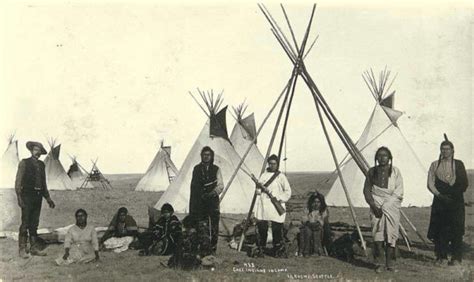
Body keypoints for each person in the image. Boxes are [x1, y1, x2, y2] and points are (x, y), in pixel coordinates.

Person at [427, 135, 468, 266]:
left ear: (452, 150)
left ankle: (456, 258)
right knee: (440, 229)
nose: (445, 151)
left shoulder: (459, 164)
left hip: (456, 201)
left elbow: (464, 183)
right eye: (442, 149)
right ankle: (442, 257)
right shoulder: (434, 165)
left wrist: (453, 194)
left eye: (447, 149)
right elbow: (430, 183)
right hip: (440, 201)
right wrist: (439, 195)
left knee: (456, 229)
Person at [363, 146, 403, 273]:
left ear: (389, 158)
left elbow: (399, 192)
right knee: (378, 235)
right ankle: (379, 263)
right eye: (379, 155)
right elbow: (367, 190)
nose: (382, 158)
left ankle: (389, 263)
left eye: (385, 155)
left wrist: (386, 205)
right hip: (376, 205)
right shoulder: (371, 172)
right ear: (376, 158)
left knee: (391, 235)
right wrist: (374, 206)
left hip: (391, 206)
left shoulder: (396, 172)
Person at [15, 141, 56, 258]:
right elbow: (18, 182)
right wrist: (19, 198)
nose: (37, 152)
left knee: (34, 224)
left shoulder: (42, 165)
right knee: (25, 222)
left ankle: (33, 248)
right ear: (31, 150)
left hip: (38, 197)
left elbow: (43, 184)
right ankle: (22, 249)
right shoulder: (24, 163)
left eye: (39, 150)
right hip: (27, 196)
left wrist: (48, 199)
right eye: (35, 149)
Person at [254, 154, 292, 257]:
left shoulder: (281, 176)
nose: (272, 166)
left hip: (276, 205)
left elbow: (288, 192)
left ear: (277, 164)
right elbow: (257, 191)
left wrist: (278, 198)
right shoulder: (263, 175)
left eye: (274, 164)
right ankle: (261, 249)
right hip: (264, 205)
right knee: (262, 227)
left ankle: (278, 251)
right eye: (270, 163)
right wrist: (260, 189)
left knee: (276, 228)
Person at [189, 146, 224, 255]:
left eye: (208, 155)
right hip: (200, 202)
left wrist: (212, 193)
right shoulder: (196, 169)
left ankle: (213, 248)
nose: (206, 157)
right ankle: (203, 248)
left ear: (212, 156)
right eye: (204, 155)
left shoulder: (216, 169)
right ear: (201, 156)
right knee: (202, 225)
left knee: (214, 226)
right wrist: (200, 196)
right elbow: (194, 186)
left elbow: (220, 185)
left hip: (213, 202)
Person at [299, 191, 331, 257]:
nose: (316, 204)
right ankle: (306, 251)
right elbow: (304, 219)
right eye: (314, 202)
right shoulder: (307, 209)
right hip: (308, 226)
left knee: (317, 231)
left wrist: (317, 222)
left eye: (318, 202)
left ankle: (316, 251)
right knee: (307, 231)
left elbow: (323, 221)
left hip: (318, 227)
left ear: (321, 203)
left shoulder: (323, 210)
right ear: (311, 202)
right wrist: (308, 222)